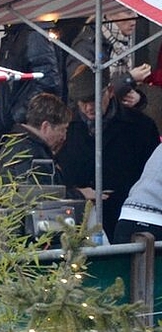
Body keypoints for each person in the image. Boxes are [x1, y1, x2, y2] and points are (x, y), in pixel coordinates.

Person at [56, 65, 159, 240]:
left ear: (110, 91)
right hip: (74, 222)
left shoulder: (140, 127)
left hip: (123, 219)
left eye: (94, 100)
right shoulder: (66, 128)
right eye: (82, 102)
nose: (88, 107)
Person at [0, 0, 62, 136]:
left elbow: (48, 80)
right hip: (13, 127)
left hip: (27, 129)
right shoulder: (13, 34)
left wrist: (18, 117)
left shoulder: (32, 33)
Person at [0, 93, 71, 185]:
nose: (64, 137)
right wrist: (79, 194)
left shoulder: (19, 145)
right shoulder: (29, 153)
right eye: (62, 130)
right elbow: (39, 194)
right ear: (46, 127)